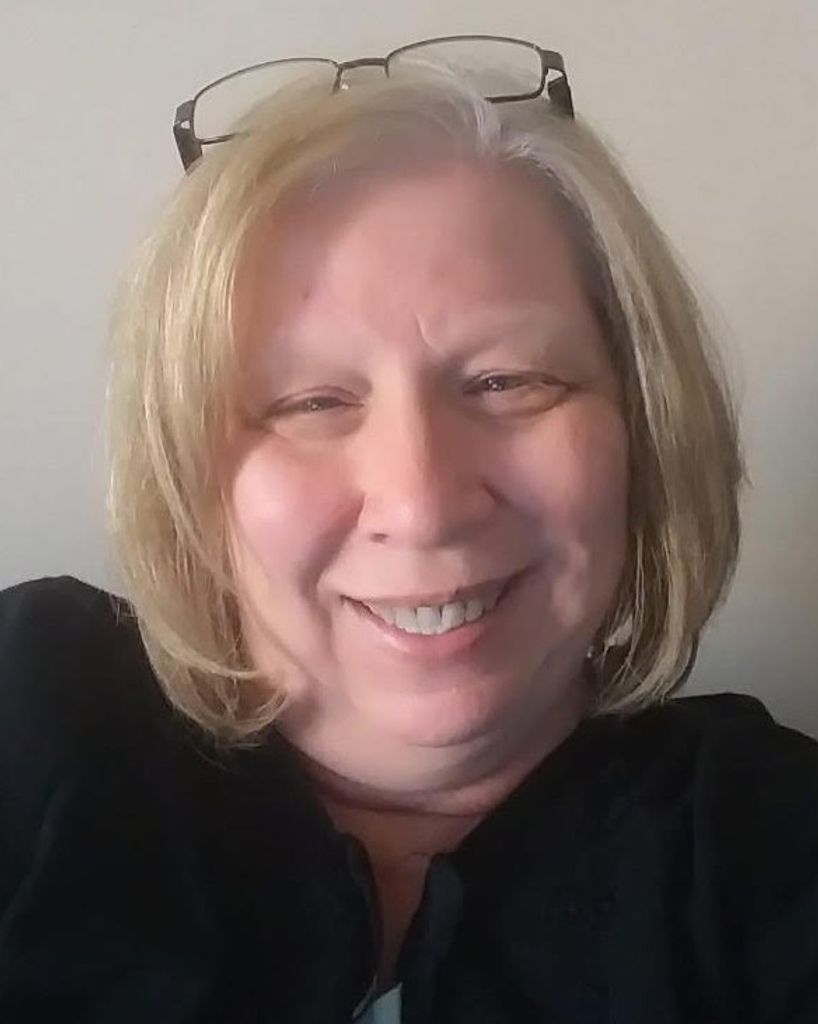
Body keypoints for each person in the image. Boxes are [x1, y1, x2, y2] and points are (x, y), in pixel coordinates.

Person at [1, 34, 816, 1023]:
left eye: (508, 381)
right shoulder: (35, 712)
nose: (421, 502)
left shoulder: (769, 840)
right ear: (189, 473)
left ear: (643, 426)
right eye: (310, 401)